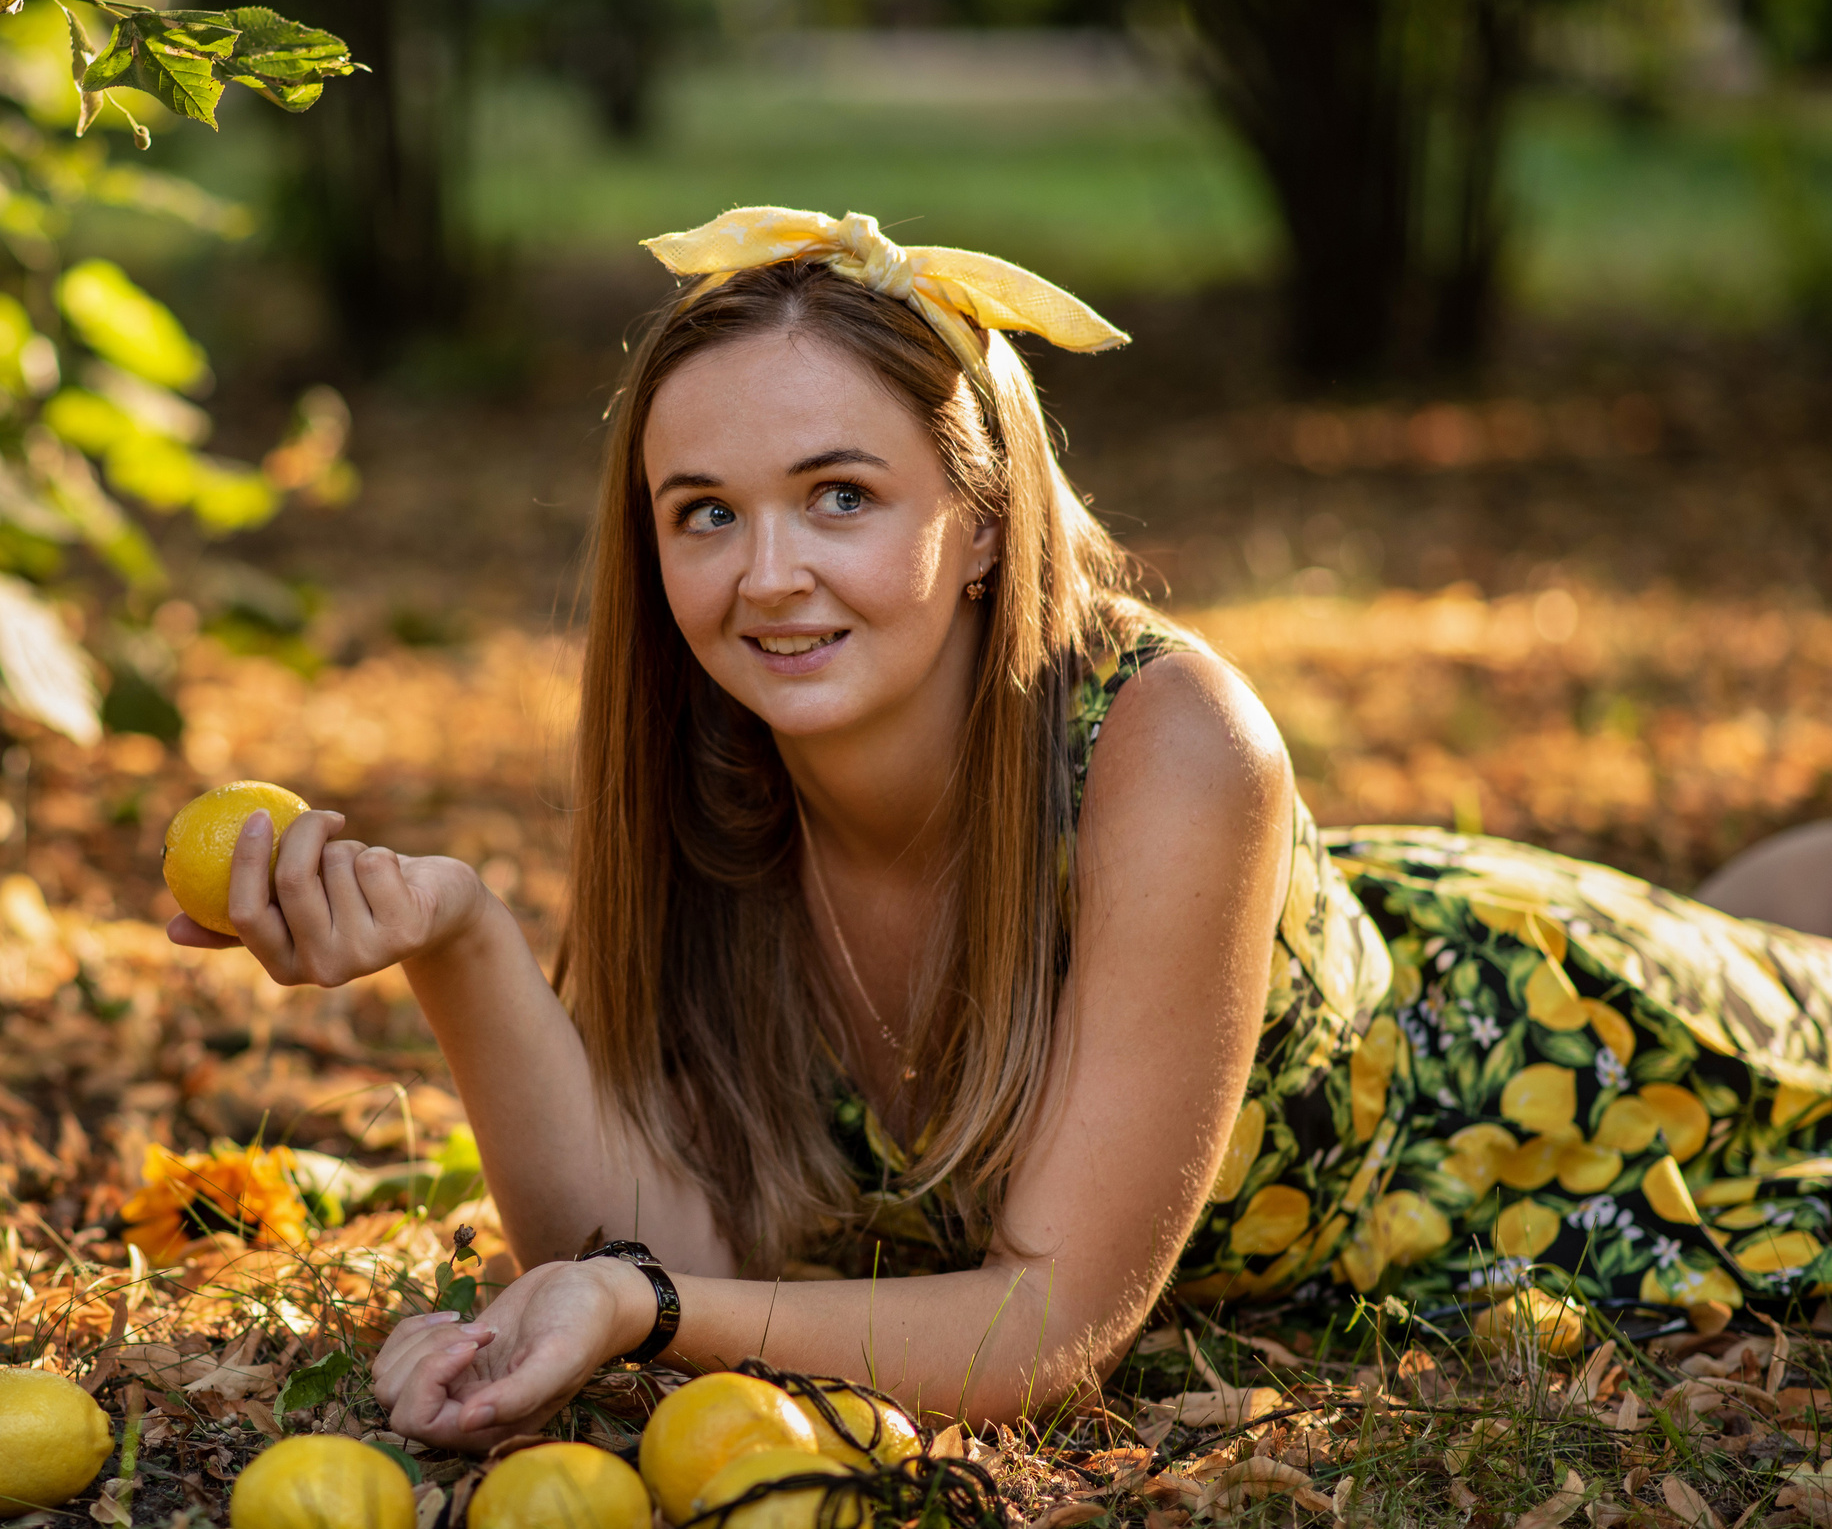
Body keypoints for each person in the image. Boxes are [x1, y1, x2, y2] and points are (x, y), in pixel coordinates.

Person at [165, 207, 1832, 1450]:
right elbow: (647, 1232)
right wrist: (458, 942)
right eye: (705, 515)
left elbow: (1047, 1327)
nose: (764, 576)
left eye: (840, 495)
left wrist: (651, 1316)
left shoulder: (1177, 743)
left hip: (1547, 1063)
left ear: (976, 525)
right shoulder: (722, 775)